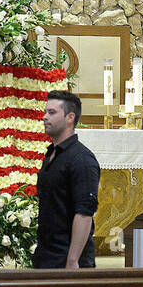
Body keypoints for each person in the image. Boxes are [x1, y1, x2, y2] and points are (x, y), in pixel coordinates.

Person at [34, 90, 99, 269]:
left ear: (70, 117)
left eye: (52, 112)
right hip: (46, 254)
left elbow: (84, 213)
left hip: (67, 259)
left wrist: (73, 260)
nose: (44, 117)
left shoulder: (82, 159)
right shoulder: (52, 154)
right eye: (45, 112)